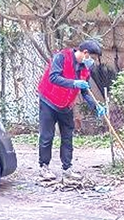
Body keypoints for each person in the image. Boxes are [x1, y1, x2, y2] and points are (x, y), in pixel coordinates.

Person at [37, 40, 107, 182]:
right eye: (92, 58)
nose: (93, 62)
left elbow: (85, 92)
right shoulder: (62, 57)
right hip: (49, 101)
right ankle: (44, 167)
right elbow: (53, 77)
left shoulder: (85, 70)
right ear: (85, 53)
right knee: (47, 136)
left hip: (66, 105)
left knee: (67, 137)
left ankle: (67, 169)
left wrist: (96, 106)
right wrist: (74, 83)